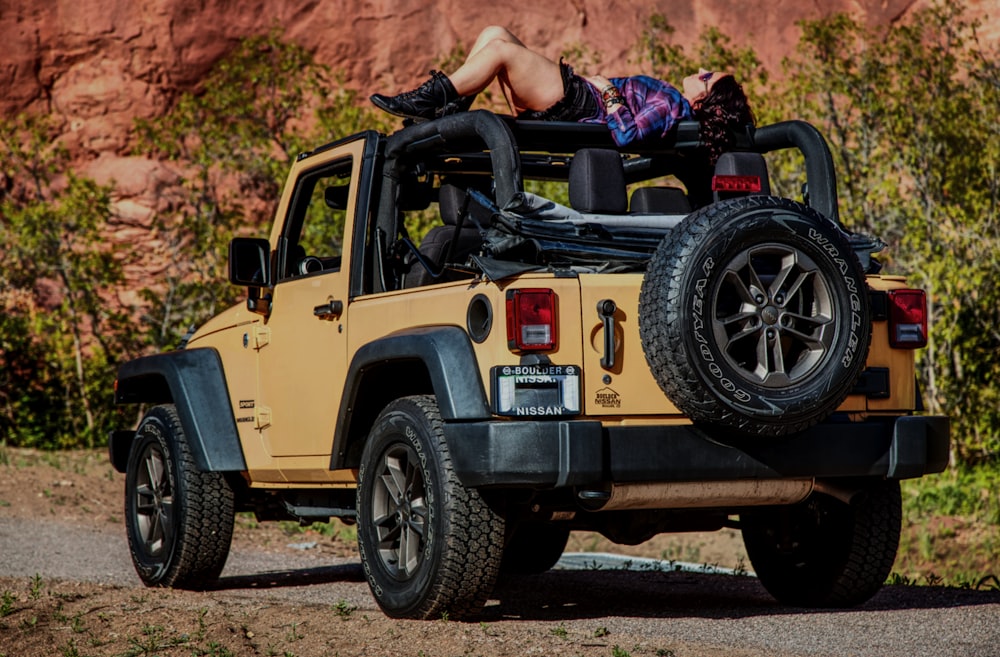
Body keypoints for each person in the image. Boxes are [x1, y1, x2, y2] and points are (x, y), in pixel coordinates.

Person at [370, 25, 755, 164]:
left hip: (579, 104)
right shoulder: (672, 102)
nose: (699, 71)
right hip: (577, 99)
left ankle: (429, 102)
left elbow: (626, 135)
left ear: (704, 100)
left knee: (501, 49)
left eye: (706, 77)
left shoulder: (673, 105)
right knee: (494, 35)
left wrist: (608, 93)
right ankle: (443, 108)